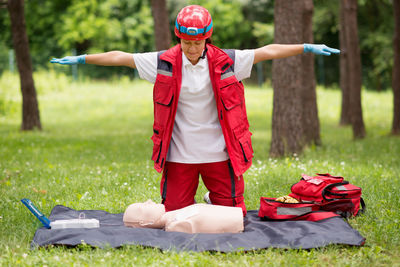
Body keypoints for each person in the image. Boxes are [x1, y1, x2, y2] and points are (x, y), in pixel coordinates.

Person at [51, 5, 339, 216]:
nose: (191, 48)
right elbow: (122, 58)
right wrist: (82, 58)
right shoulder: (164, 62)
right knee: (174, 219)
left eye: (197, 42)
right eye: (186, 42)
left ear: (207, 38)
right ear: (178, 38)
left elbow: (267, 51)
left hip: (221, 154)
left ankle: (214, 201)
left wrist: (305, 47)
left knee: (233, 218)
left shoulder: (228, 61)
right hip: (180, 156)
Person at [123, 199, 244, 234]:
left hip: (234, 214)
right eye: (143, 207)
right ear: (145, 223)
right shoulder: (174, 225)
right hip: (236, 221)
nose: (148, 201)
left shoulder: (173, 217)